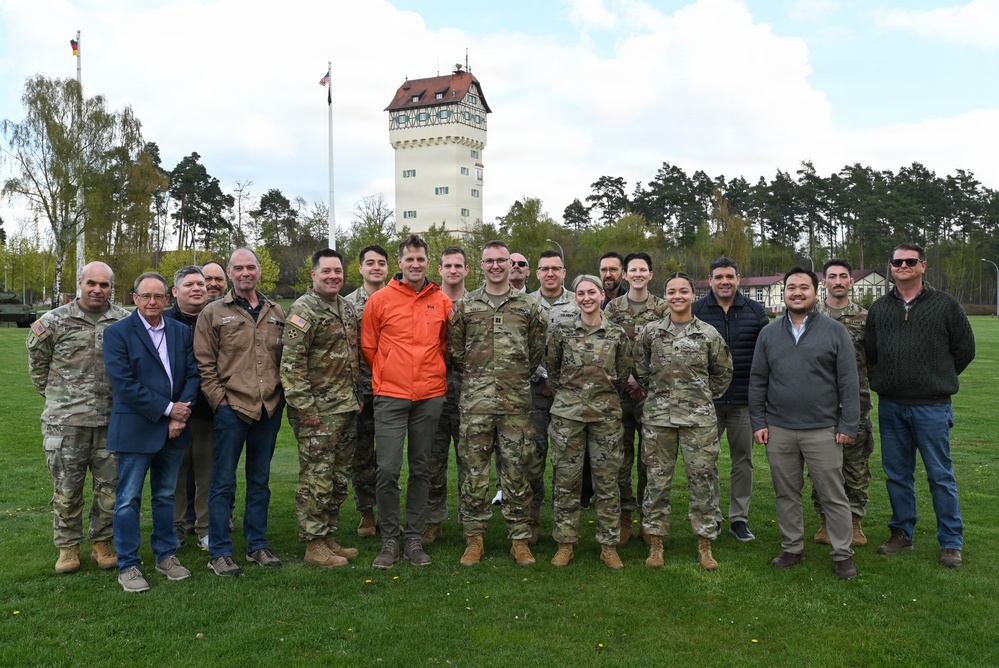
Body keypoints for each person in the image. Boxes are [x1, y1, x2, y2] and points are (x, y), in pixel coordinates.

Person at [864, 242, 976, 568]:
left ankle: (951, 542)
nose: (903, 266)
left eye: (910, 261)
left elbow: (965, 349)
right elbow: (871, 353)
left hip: (932, 406)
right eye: (897, 261)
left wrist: (938, 376)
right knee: (897, 475)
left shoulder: (945, 305)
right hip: (891, 406)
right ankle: (902, 533)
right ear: (890, 266)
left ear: (923, 265)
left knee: (940, 476)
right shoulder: (880, 308)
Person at [750, 267, 860, 580]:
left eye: (803, 287)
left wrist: (847, 425)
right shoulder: (769, 333)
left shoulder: (834, 331)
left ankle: (842, 554)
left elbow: (848, 382)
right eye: (791, 288)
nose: (797, 292)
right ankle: (792, 548)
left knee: (833, 494)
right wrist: (759, 420)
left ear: (815, 291)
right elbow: (758, 380)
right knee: (786, 492)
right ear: (783, 293)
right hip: (780, 429)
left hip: (823, 429)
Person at [449, 240, 547, 567]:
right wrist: (480, 377)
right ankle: (474, 539)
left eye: (501, 260)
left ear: (511, 264)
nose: (496, 266)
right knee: (473, 473)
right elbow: (456, 351)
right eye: (489, 260)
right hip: (475, 403)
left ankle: (519, 539)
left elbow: (536, 351)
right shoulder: (466, 305)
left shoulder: (528, 306)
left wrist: (512, 377)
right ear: (481, 265)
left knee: (516, 471)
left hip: (515, 405)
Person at [26, 261, 129, 573]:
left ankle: (102, 542)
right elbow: (38, 365)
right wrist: (60, 397)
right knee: (67, 488)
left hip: (112, 420)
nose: (98, 290)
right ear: (80, 284)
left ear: (112, 287)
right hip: (67, 422)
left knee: (110, 487)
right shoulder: (54, 321)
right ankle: (68, 547)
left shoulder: (123, 321)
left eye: (105, 285)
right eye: (92, 284)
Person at [104, 272, 200, 592]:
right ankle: (128, 565)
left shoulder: (180, 331)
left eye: (158, 297)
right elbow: (125, 384)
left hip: (174, 431)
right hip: (135, 428)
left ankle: (165, 556)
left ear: (167, 299)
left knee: (165, 496)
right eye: (145, 296)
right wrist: (169, 409)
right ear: (134, 298)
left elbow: (192, 375)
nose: (152, 302)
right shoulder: (117, 333)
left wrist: (179, 415)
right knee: (128, 499)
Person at [194, 248, 286, 577]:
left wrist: (280, 398)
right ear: (230, 274)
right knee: (222, 482)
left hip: (269, 408)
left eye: (251, 267)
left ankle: (257, 545)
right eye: (238, 268)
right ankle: (219, 551)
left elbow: (284, 359)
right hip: (232, 408)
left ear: (259, 272)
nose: (245, 272)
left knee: (260, 481)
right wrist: (220, 401)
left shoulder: (277, 311)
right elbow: (204, 363)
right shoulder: (214, 312)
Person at [361, 235, 451, 569]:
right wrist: (389, 374)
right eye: (409, 259)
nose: (415, 265)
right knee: (387, 468)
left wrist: (430, 375)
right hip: (390, 396)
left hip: (429, 396)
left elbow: (444, 346)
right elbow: (369, 347)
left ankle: (413, 536)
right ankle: (389, 540)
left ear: (429, 263)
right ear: (399, 262)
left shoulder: (441, 301)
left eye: (421, 259)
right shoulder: (380, 300)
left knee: (421, 467)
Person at [634, 272, 732, 570]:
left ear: (693, 295)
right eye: (672, 291)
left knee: (703, 481)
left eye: (684, 291)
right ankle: (655, 543)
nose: (678, 296)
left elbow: (723, 372)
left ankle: (704, 544)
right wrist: (661, 396)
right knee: (656, 482)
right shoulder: (651, 332)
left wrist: (700, 398)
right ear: (666, 295)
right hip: (658, 419)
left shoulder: (708, 333)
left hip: (698, 421)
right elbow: (640, 369)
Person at [281, 248, 362, 568]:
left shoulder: (346, 307)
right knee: (317, 477)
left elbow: (352, 357)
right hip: (317, 411)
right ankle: (313, 543)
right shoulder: (304, 309)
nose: (333, 276)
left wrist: (357, 398)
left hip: (345, 406)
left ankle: (327, 534)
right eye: (326, 271)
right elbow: (291, 364)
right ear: (314, 275)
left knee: (339, 477)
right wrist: (304, 408)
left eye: (337, 271)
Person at [546, 275, 632, 570]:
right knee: (566, 482)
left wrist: (601, 399)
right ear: (576, 297)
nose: (586, 297)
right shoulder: (561, 331)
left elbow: (622, 373)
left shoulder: (617, 334)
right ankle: (565, 544)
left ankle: (608, 545)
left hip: (605, 417)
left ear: (600, 295)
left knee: (608, 483)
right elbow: (553, 369)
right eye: (581, 293)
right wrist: (571, 398)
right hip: (568, 417)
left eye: (591, 292)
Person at [691, 256, 769, 542]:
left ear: (738, 279)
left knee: (743, 462)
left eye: (730, 276)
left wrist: (764, 397)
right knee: (705, 463)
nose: (725, 281)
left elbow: (767, 357)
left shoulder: (756, 311)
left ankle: (739, 518)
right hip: (705, 403)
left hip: (743, 401)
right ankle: (712, 517)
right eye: (719, 277)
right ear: (709, 280)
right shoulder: (695, 310)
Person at [604, 251, 668, 543]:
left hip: (651, 395)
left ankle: (648, 518)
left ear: (651, 275)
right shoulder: (612, 309)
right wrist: (627, 377)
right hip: (619, 395)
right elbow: (606, 348)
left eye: (644, 269)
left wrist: (642, 379)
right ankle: (624, 516)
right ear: (625, 275)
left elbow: (669, 351)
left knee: (650, 459)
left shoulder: (663, 309)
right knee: (620, 458)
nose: (638, 274)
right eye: (633, 270)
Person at [812, 258, 874, 546]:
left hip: (855, 403)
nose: (838, 281)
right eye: (832, 276)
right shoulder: (811, 317)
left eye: (843, 276)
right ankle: (825, 521)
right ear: (823, 282)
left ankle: (855, 520)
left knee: (856, 465)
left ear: (852, 282)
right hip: (819, 404)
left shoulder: (865, 318)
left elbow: (874, 359)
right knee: (821, 466)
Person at [527, 249, 579, 543]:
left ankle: (564, 523)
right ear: (537, 273)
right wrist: (542, 376)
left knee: (566, 460)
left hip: (568, 396)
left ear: (563, 272)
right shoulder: (525, 303)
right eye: (544, 268)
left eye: (555, 268)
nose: (550, 273)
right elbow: (520, 346)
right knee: (533, 458)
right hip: (533, 393)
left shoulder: (579, 302)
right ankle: (533, 518)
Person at [424, 246, 470, 544]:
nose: (452, 270)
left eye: (458, 266)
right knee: (432, 461)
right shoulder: (428, 301)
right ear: (438, 269)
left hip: (470, 395)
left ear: (467, 269)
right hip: (434, 393)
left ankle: (471, 524)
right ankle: (433, 520)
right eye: (447, 266)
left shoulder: (476, 303)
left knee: (471, 463)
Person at [344, 245, 389, 538]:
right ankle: (367, 515)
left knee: (388, 459)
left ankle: (388, 513)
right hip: (360, 391)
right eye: (369, 263)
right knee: (361, 457)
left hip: (390, 390)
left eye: (381, 263)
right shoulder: (347, 305)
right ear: (359, 268)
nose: (376, 267)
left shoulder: (397, 299)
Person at [167, 266, 213, 551]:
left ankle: (207, 528)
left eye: (201, 284)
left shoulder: (216, 316)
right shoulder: (164, 320)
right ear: (175, 291)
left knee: (208, 474)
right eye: (189, 285)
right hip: (174, 411)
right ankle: (175, 529)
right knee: (175, 475)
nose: (197, 289)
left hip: (209, 410)